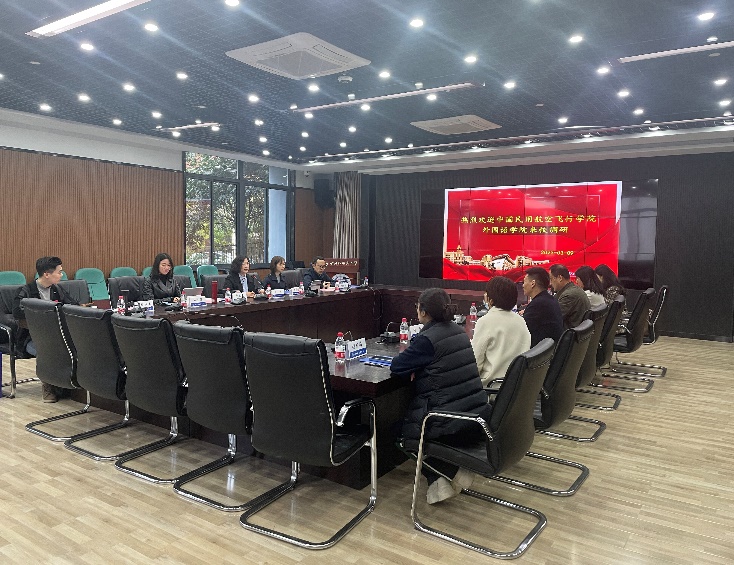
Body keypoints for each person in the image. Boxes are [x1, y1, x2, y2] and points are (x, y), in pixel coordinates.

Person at [390, 288, 488, 504]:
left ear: (423, 311)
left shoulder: (427, 340)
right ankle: (443, 478)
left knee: (399, 433)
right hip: (474, 412)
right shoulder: (459, 330)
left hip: (445, 420)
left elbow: (397, 366)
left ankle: (450, 472)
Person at [12, 256, 79, 403]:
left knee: (74, 346)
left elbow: (73, 305)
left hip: (59, 336)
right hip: (31, 339)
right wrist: (43, 313)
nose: (61, 275)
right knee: (49, 349)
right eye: (59, 272)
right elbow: (17, 312)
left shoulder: (57, 289)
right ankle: (48, 386)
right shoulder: (25, 291)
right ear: (47, 274)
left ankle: (68, 384)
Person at [472, 277, 531, 387]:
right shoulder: (520, 320)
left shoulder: (485, 322)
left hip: (491, 387)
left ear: (490, 300)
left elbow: (475, 364)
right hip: (517, 386)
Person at [520, 267, 563, 347]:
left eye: (524, 282)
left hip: (540, 352)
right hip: (550, 349)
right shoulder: (549, 300)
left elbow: (521, 331)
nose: (523, 285)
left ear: (533, 283)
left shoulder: (538, 305)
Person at [550, 264, 590, 329]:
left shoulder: (569, 295)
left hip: (571, 333)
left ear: (560, 278)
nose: (550, 283)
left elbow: (552, 318)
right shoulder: (573, 289)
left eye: (551, 279)